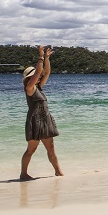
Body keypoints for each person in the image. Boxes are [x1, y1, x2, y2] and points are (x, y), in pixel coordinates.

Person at [21, 45, 64, 180]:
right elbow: (39, 72)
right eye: (33, 75)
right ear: (29, 77)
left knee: (51, 148)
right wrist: (40, 55)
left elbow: (46, 73)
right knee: (31, 150)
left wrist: (47, 58)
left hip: (45, 120)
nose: (37, 76)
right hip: (35, 122)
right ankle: (23, 174)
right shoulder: (29, 87)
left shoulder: (39, 87)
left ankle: (58, 172)